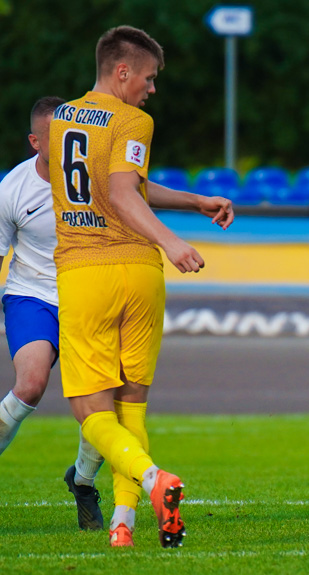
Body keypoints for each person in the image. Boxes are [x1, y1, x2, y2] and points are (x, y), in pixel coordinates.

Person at [48, 25, 234, 548]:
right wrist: (170, 243)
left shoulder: (63, 117)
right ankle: (122, 527)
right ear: (122, 71)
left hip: (86, 270)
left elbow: (120, 186)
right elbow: (123, 189)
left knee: (92, 412)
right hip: (140, 273)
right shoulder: (133, 121)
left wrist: (192, 203)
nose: (151, 89)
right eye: (148, 79)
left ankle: (154, 481)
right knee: (131, 406)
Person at [0, 97, 106, 531]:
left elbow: (137, 195)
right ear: (34, 142)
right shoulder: (13, 190)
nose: (67, 146)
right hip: (32, 295)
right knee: (31, 384)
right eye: (55, 138)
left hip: (86, 295)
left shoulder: (95, 178)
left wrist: (194, 203)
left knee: (101, 406)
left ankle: (82, 482)